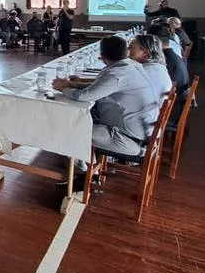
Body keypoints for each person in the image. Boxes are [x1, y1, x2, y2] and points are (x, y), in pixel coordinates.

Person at [52, 35, 160, 188]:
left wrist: (63, 88)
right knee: (80, 121)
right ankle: (88, 173)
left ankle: (83, 179)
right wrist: (73, 84)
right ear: (125, 52)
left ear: (102, 56)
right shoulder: (132, 65)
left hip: (127, 140)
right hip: (139, 133)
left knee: (67, 131)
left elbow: (84, 96)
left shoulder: (117, 75)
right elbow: (99, 87)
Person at [127, 34, 173, 104]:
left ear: (145, 53)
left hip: (147, 111)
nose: (127, 52)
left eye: (131, 48)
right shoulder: (158, 66)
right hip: (152, 107)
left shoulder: (143, 72)